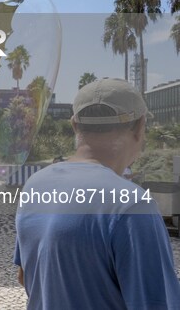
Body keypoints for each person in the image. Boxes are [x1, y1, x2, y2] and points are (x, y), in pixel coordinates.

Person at [14, 78, 180, 309]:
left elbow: (25, 277)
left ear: (74, 125)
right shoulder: (132, 204)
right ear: (140, 127)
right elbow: (157, 302)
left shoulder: (35, 185)